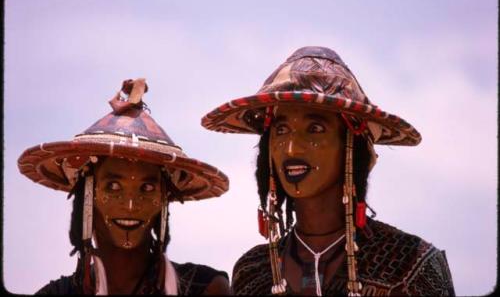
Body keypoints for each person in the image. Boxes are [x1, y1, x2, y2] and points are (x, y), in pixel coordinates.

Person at [201, 46, 455, 296]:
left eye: (315, 129)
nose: (291, 149)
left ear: (351, 148)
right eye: (280, 130)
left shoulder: (411, 263)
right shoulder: (253, 272)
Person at [18, 78, 232, 295]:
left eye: (147, 188)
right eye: (113, 186)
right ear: (88, 192)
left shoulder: (206, 289)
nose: (130, 205)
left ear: (163, 198)